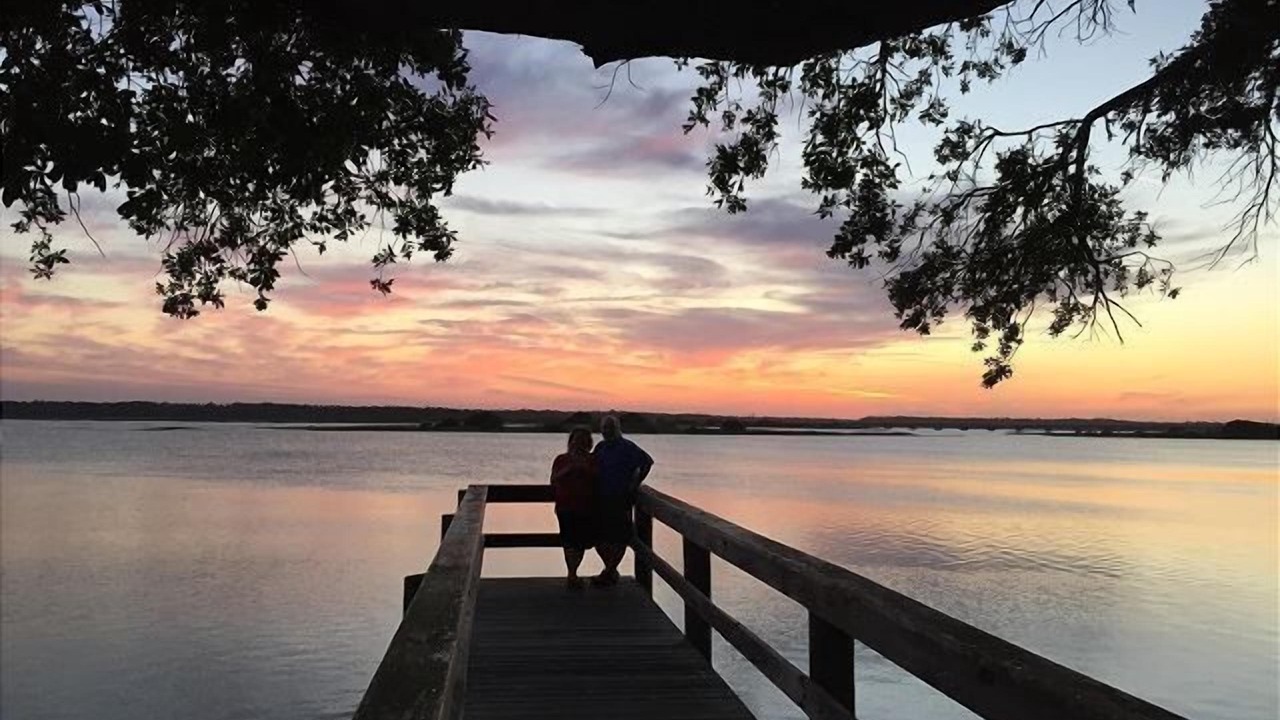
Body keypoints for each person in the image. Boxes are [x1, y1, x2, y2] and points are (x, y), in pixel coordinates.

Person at [590, 415, 654, 586]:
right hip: (601, 498)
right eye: (604, 428)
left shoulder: (627, 447)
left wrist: (635, 483)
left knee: (619, 537)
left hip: (621, 498)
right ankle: (610, 570)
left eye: (610, 428)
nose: (606, 431)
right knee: (598, 536)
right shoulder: (600, 447)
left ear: (617, 429)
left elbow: (647, 462)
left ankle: (609, 572)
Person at [549, 427, 596, 587]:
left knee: (581, 542)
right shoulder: (561, 459)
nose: (579, 443)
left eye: (583, 440)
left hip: (586, 507)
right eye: (576, 439)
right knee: (569, 541)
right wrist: (569, 470)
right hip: (565, 506)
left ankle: (574, 573)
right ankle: (572, 574)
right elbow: (553, 480)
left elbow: (599, 479)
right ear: (571, 441)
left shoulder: (592, 459)